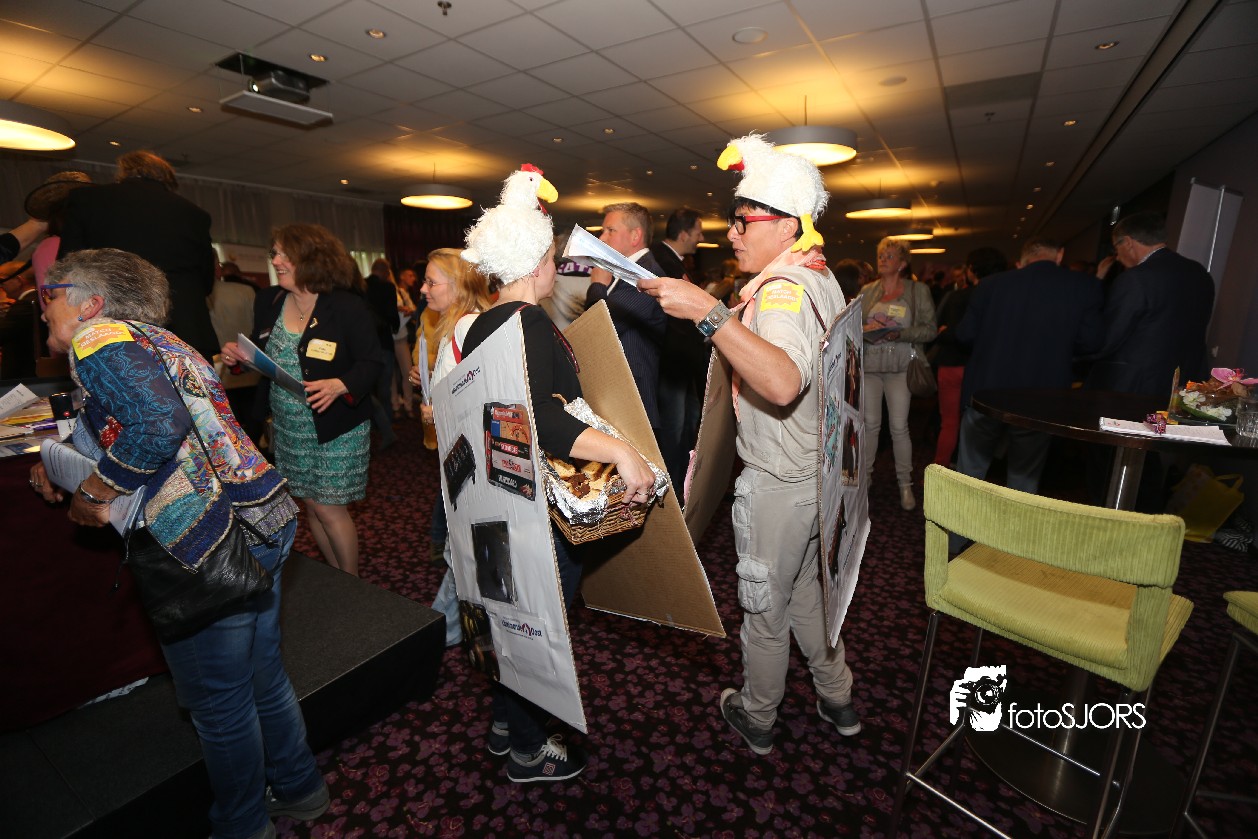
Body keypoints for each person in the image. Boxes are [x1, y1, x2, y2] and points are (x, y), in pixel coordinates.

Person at [28, 248, 327, 839]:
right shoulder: (161, 340)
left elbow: (157, 423)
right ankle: (300, 788)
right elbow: (121, 417)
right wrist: (57, 459)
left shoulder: (97, 338)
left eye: (50, 295)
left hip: (203, 542)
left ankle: (243, 827)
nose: (42, 310)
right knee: (262, 674)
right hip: (263, 516)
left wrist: (93, 490)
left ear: (90, 303)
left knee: (219, 704)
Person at [640, 132, 860, 756]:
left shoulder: (783, 292)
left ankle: (758, 714)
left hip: (781, 482)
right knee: (810, 594)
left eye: (744, 221)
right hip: (819, 475)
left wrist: (708, 312)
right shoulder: (818, 275)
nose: (731, 234)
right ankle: (837, 695)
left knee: (764, 609)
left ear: (787, 225)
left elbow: (783, 381)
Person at [460, 165, 655, 782]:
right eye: (551, 258)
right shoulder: (527, 322)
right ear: (534, 263)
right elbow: (538, 416)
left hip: (501, 494)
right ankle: (527, 747)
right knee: (540, 621)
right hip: (536, 502)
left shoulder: (485, 322)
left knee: (510, 610)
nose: (557, 268)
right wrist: (620, 452)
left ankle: (504, 724)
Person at [222, 224, 382, 577]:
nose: (276, 261)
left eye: (285, 254)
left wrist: (340, 383)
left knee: (328, 508)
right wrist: (238, 358)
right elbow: (260, 350)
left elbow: (372, 362)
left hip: (337, 423)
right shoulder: (269, 300)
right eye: (274, 253)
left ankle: (352, 584)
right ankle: (337, 574)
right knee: (310, 503)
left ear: (312, 259)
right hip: (289, 424)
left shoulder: (346, 306)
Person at [954, 237, 1104, 493]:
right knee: (1024, 478)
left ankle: (958, 520)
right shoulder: (1084, 286)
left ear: (1022, 259)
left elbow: (965, 334)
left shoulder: (990, 285)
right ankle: (1015, 520)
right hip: (1040, 395)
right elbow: (1091, 342)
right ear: (1059, 255)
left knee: (970, 471)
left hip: (987, 390)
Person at [407, 248, 493, 647]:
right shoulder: (452, 326)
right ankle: (445, 629)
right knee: (460, 552)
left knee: (462, 552)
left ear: (458, 286)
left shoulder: (468, 327)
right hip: (459, 455)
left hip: (470, 458)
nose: (423, 289)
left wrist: (437, 410)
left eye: (431, 281)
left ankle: (441, 632)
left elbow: (486, 398)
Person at [58, 150, 219, 360]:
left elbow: (67, 265)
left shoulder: (87, 199)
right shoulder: (195, 214)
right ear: (167, 178)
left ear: (123, 171)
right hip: (186, 323)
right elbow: (206, 280)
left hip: (114, 317)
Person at [1086, 211, 1216, 397]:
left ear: (1128, 242)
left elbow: (1109, 339)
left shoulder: (1135, 278)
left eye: (1116, 248)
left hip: (1134, 386)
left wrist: (1071, 351)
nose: (1118, 257)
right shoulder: (1200, 274)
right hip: (1185, 384)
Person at [859, 237, 936, 510]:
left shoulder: (918, 291)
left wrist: (900, 333)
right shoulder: (868, 290)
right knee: (869, 425)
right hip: (870, 365)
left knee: (899, 426)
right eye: (881, 255)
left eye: (889, 256)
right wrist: (866, 331)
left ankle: (905, 485)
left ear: (902, 263)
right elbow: (855, 326)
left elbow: (930, 330)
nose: (883, 260)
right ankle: (864, 481)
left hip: (901, 365)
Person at [584, 202, 667, 435]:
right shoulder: (624, 272)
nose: (602, 238)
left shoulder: (647, 276)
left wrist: (598, 285)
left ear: (635, 236)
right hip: (618, 394)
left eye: (610, 230)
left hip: (633, 397)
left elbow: (601, 329)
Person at [929, 247, 1008, 467]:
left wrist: (945, 332)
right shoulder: (1002, 298)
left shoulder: (959, 296)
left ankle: (942, 468)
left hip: (952, 364)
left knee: (949, 422)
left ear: (972, 270)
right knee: (982, 422)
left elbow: (947, 331)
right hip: (985, 367)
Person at [651, 207, 710, 491]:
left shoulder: (674, 261)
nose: (701, 237)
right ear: (684, 234)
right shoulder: (661, 261)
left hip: (683, 364)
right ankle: (673, 493)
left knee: (688, 427)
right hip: (671, 364)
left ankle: (684, 487)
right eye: (698, 231)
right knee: (673, 434)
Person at [0, 261, 38, 378]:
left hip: (24, 377)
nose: (1, 286)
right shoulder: (36, 299)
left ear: (18, 280)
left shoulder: (25, 305)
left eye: (2, 281)